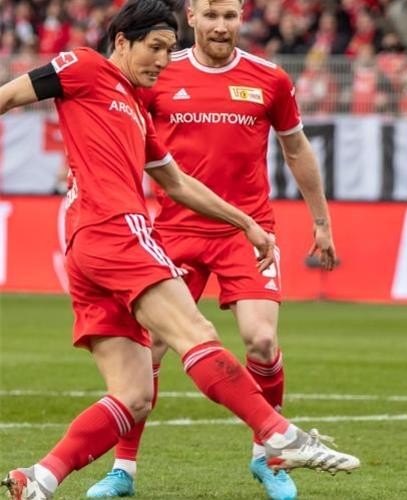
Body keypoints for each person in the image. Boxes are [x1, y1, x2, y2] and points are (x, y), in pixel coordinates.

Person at [0, 1, 359, 499]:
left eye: (169, 51)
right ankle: (278, 435)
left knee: (133, 395)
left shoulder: (137, 110)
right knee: (197, 334)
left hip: (91, 244)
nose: (163, 61)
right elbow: (8, 95)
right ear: (122, 41)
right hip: (115, 228)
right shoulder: (84, 66)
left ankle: (38, 479)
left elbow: (178, 182)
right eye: (155, 48)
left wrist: (247, 224)